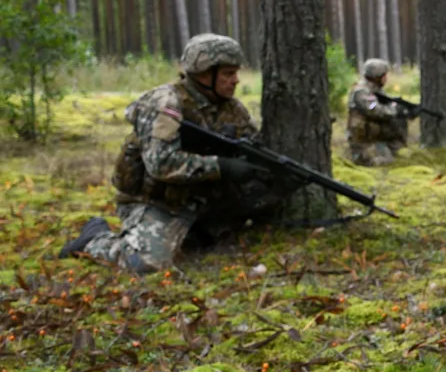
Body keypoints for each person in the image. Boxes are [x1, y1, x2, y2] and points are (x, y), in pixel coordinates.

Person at [58, 34, 293, 274]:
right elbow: (160, 164)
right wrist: (222, 167)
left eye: (235, 73)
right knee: (147, 264)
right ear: (204, 74)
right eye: (227, 74)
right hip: (155, 202)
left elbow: (252, 144)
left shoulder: (231, 108)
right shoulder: (165, 104)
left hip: (199, 198)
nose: (236, 80)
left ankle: (198, 234)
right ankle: (95, 239)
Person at [347, 59, 409, 166]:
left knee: (400, 159)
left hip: (376, 139)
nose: (386, 78)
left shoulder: (375, 90)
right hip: (364, 143)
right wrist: (394, 110)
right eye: (384, 75)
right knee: (382, 163)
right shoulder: (362, 91)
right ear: (377, 77)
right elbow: (374, 110)